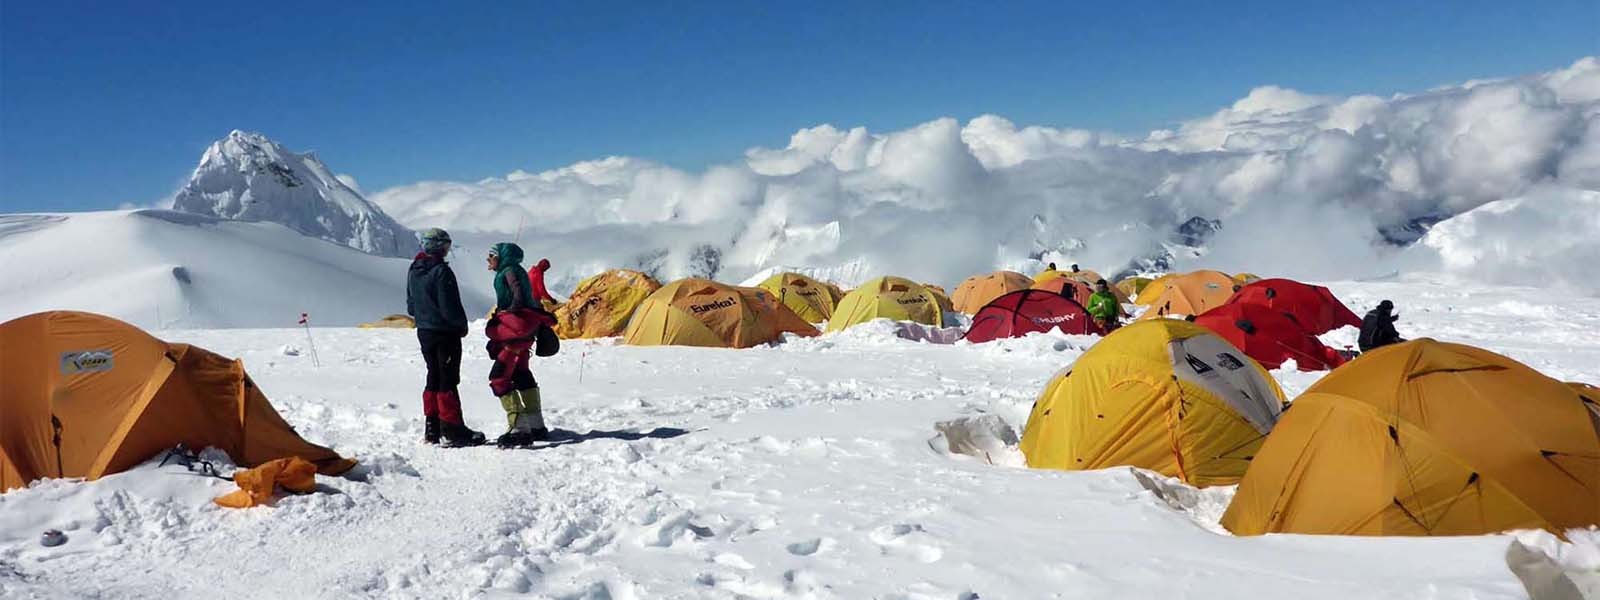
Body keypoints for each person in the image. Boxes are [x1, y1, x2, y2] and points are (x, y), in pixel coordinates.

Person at [406, 229, 485, 447]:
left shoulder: (414, 269)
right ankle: (453, 429)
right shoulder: (441, 271)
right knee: (447, 379)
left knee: (433, 375)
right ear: (440, 247)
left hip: (424, 332)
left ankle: (432, 427)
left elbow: (411, 306)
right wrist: (460, 326)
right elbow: (449, 306)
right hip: (444, 332)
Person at [486, 242, 553, 446]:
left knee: (499, 377)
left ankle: (519, 428)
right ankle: (536, 425)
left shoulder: (508, 271)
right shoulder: (516, 269)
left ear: (501, 257)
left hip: (514, 331)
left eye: (491, 255)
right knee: (521, 373)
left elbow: (517, 293)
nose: (488, 259)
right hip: (525, 329)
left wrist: (510, 312)